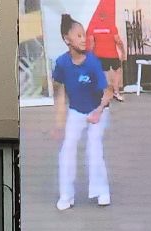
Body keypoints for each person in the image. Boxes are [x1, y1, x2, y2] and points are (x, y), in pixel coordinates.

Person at [50, 15, 115, 211]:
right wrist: (59, 124)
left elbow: (108, 92)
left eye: (84, 35)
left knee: (93, 149)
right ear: (66, 39)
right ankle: (66, 195)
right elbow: (60, 95)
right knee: (67, 150)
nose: (83, 39)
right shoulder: (61, 63)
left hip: (98, 110)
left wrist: (98, 111)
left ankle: (102, 191)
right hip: (76, 112)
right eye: (78, 35)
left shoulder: (93, 62)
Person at [87, 2, 127, 100]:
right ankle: (116, 92)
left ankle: (103, 94)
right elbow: (118, 41)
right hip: (112, 54)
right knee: (117, 71)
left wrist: (90, 56)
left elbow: (91, 43)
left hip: (99, 54)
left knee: (103, 74)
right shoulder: (112, 26)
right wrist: (123, 52)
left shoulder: (93, 27)